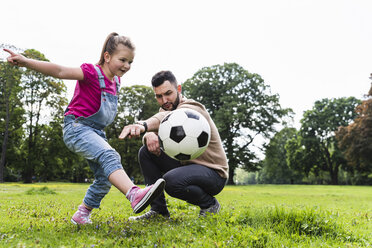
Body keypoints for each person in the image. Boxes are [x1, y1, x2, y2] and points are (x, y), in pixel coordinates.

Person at [4, 32, 165, 225]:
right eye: (122, 60)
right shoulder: (91, 72)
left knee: (105, 177)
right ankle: (133, 194)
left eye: (130, 62)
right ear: (107, 56)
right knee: (111, 156)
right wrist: (26, 61)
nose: (126, 66)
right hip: (77, 127)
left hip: (96, 132)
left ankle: (82, 214)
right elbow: (60, 71)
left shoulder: (116, 82)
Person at [119, 70, 228, 220]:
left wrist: (143, 125)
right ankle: (158, 212)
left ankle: (209, 205)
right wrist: (149, 135)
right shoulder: (165, 112)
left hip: (214, 174)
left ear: (179, 89)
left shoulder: (193, 108)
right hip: (187, 166)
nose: (164, 100)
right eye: (159, 96)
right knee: (145, 152)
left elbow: (166, 117)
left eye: (168, 93)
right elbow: (162, 120)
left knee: (170, 181)